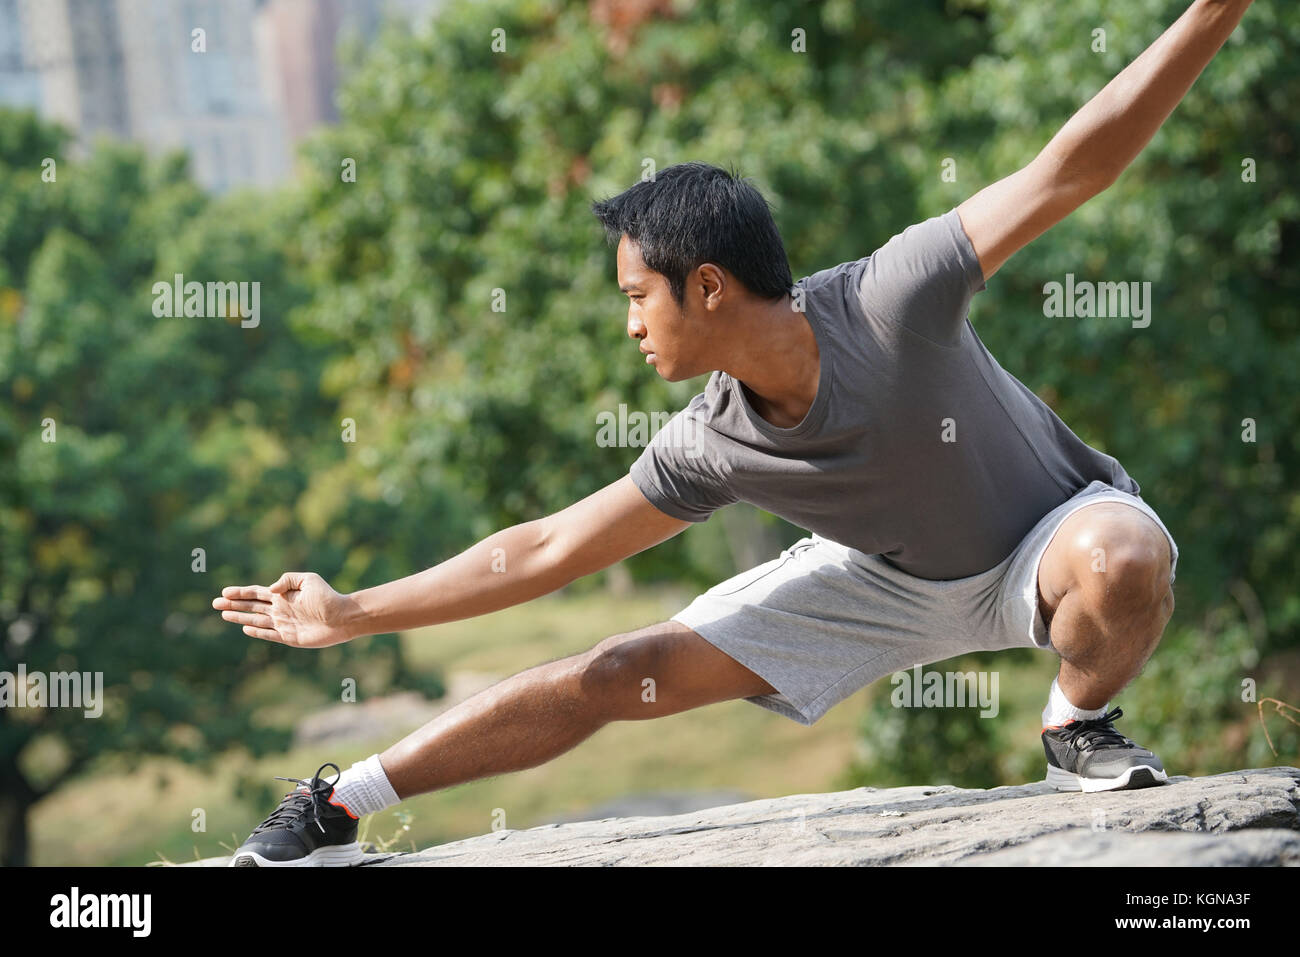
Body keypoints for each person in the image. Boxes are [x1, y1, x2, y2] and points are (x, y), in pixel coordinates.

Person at [213, 0, 1253, 866]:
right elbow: (542, 549)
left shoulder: (892, 297)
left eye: (636, 297)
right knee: (619, 673)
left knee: (1124, 555)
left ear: (705, 287)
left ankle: (1074, 724)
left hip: (1044, 541)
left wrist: (1213, 10)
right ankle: (339, 808)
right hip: (878, 581)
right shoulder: (709, 442)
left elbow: (1071, 167)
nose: (626, 324)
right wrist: (352, 615)